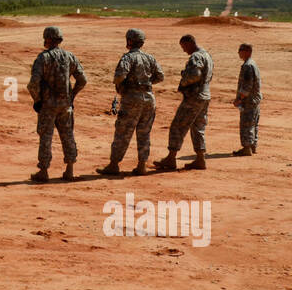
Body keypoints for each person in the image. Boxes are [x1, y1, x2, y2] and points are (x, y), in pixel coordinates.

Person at [27, 26, 86, 183]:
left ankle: (44, 171)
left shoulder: (43, 58)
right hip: (66, 105)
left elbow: (33, 84)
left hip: (47, 106)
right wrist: (72, 96)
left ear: (47, 39)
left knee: (46, 137)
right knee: (68, 135)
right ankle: (70, 170)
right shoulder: (69, 57)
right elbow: (82, 80)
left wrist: (37, 100)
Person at [101, 29, 165, 175]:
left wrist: (123, 86)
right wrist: (146, 82)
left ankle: (114, 165)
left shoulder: (128, 58)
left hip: (131, 99)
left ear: (129, 41)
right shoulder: (150, 58)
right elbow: (160, 76)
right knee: (144, 133)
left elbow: (119, 76)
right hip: (149, 98)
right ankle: (142, 165)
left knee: (123, 132)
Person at [155, 34, 214, 172]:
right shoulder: (207, 55)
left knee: (178, 125)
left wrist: (184, 81)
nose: (184, 50)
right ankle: (200, 158)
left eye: (184, 47)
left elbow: (195, 75)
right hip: (205, 96)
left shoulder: (196, 57)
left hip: (194, 96)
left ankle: (171, 158)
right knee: (198, 127)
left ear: (189, 43)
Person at [232, 42, 262, 156]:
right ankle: (253, 146)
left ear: (247, 51)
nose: (239, 52)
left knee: (246, 124)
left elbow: (247, 86)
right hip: (255, 100)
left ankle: (247, 148)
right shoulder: (252, 64)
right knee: (253, 124)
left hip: (248, 101)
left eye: (240, 50)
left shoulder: (248, 66)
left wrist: (239, 98)